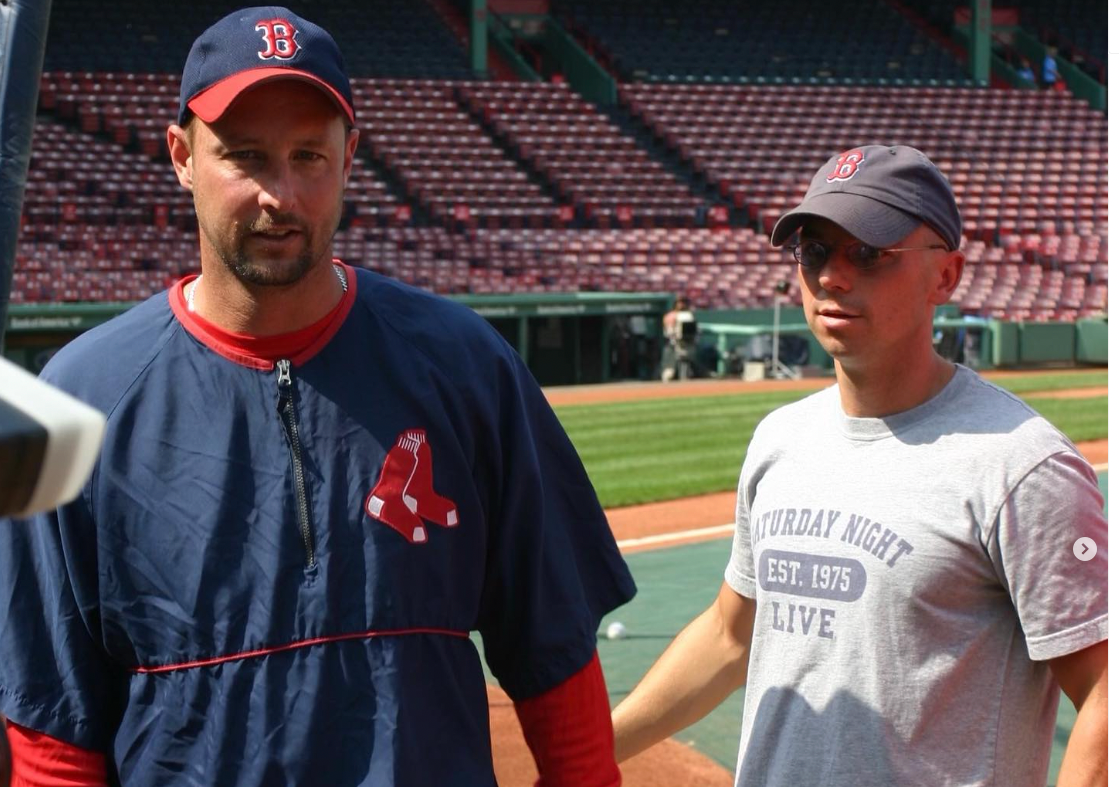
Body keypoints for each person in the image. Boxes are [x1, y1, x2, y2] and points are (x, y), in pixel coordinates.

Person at [0, 8, 636, 786]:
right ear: (181, 157)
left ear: (350, 157)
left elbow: (556, 660)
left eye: (309, 155)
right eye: (245, 157)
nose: (280, 193)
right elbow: (55, 735)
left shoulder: (466, 366)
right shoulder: (78, 400)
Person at [612, 145, 1107, 786]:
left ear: (946, 276)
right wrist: (585, 753)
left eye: (868, 254)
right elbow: (731, 637)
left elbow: (1103, 688)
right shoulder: (779, 439)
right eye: (815, 252)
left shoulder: (1020, 464)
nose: (832, 278)